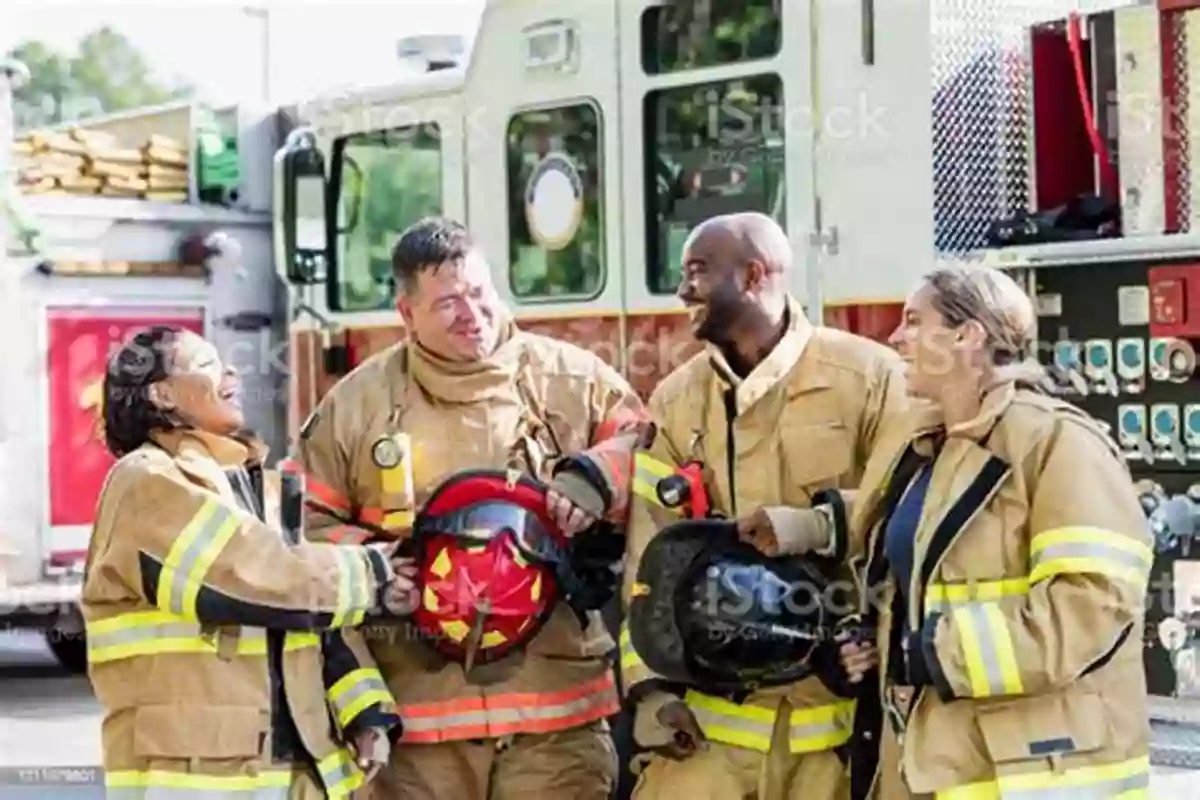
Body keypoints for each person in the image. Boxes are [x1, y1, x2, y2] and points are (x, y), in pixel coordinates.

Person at [294, 216, 650, 799]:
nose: (472, 313)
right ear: (406, 314)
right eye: (448, 303)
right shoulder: (355, 407)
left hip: (555, 712)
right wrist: (377, 566)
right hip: (420, 721)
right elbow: (304, 528)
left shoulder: (572, 379)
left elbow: (652, 449)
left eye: (480, 293)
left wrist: (596, 477)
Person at [620, 211, 910, 799]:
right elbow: (646, 559)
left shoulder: (870, 379)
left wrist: (816, 526)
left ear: (753, 277)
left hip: (834, 737)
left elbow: (911, 514)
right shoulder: (677, 399)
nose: (683, 292)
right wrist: (650, 691)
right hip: (708, 742)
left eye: (698, 273)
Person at [838, 266, 1153, 798]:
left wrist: (939, 654)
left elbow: (1090, 605)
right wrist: (873, 639)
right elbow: (911, 559)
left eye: (914, 321)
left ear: (968, 336)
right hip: (930, 758)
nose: (894, 338)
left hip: (1030, 772)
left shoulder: (1059, 443)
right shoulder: (925, 447)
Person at [81, 326, 409, 799]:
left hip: (290, 776)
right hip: (201, 781)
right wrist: (373, 573)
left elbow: (310, 614)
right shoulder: (148, 482)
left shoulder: (255, 489)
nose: (232, 372)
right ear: (163, 394)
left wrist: (364, 710)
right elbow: (253, 578)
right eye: (208, 364)